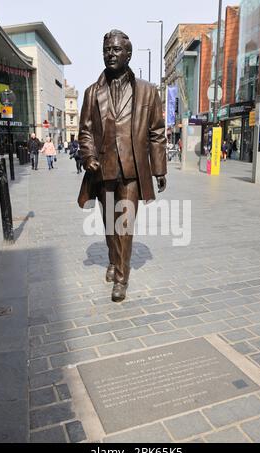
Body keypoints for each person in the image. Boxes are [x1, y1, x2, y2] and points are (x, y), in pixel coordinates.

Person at [78, 29, 167, 303]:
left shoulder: (147, 91)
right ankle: (113, 259)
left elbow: (156, 132)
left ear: (128, 54)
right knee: (109, 223)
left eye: (116, 50)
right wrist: (88, 155)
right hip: (102, 170)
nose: (111, 54)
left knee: (124, 225)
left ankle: (121, 277)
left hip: (131, 171)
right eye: (107, 50)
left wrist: (159, 169)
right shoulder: (92, 92)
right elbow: (85, 131)